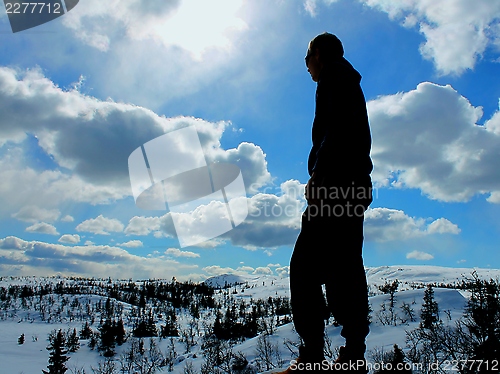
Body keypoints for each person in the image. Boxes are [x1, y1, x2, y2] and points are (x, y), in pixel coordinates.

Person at [277, 33, 373, 373]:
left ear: (318, 54)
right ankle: (352, 354)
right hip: (352, 187)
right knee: (343, 265)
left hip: (336, 186)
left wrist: (319, 174)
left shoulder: (334, 76)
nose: (306, 66)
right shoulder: (346, 79)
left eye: (307, 57)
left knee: (304, 269)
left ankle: (314, 356)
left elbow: (338, 129)